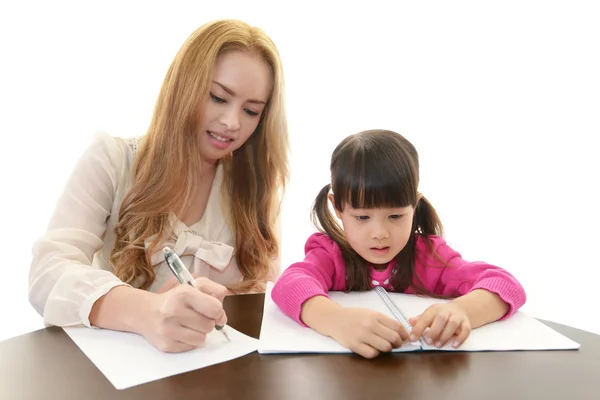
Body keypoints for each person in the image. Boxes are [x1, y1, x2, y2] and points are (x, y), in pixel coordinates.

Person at [29, 19, 289, 353]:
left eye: (251, 111)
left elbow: (267, 292)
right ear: (183, 86)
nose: (232, 123)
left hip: (216, 372)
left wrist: (229, 300)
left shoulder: (257, 182)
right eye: (217, 97)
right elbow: (47, 274)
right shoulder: (112, 160)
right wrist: (146, 311)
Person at [271, 129, 526, 359]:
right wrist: (336, 321)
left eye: (395, 216)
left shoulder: (431, 256)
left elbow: (505, 285)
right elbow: (289, 284)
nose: (380, 233)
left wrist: (463, 311)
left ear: (415, 204)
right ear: (337, 207)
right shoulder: (330, 254)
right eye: (362, 217)